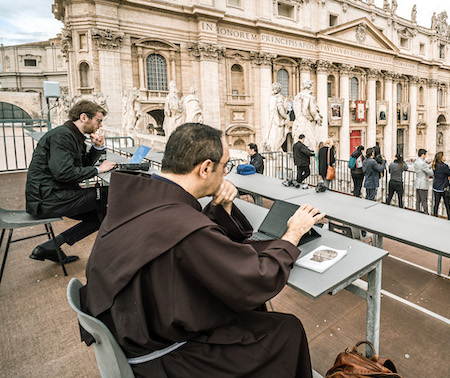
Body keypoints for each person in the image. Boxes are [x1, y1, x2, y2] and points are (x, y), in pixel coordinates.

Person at [80, 123, 324, 377]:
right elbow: (256, 278)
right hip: (165, 361)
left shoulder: (137, 199)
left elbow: (177, 237)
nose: (225, 175)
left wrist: (222, 207)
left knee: (251, 313)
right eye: (224, 167)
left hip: (134, 331)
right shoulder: (185, 229)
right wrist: (293, 233)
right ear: (206, 168)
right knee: (287, 330)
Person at [25, 100, 116, 263]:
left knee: (101, 215)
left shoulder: (73, 135)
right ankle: (112, 257)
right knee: (109, 194)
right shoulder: (63, 136)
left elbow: (81, 166)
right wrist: (98, 170)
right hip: (48, 199)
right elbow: (64, 173)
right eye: (98, 121)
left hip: (54, 194)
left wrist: (97, 148)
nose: (100, 126)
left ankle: (49, 247)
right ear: (84, 117)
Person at [432, 151, 450, 220]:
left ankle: (435, 216)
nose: (445, 157)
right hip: (444, 187)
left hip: (436, 187)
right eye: (443, 156)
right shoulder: (444, 166)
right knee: (447, 204)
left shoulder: (434, 165)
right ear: (441, 158)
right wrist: (448, 176)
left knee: (436, 204)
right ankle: (449, 218)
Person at [414, 148, 433, 214]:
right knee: (424, 200)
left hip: (418, 183)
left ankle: (417, 211)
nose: (426, 156)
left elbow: (425, 167)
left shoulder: (416, 161)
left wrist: (430, 165)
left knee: (418, 200)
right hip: (423, 184)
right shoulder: (422, 163)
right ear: (423, 155)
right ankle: (426, 213)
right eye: (425, 155)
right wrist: (433, 168)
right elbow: (430, 173)